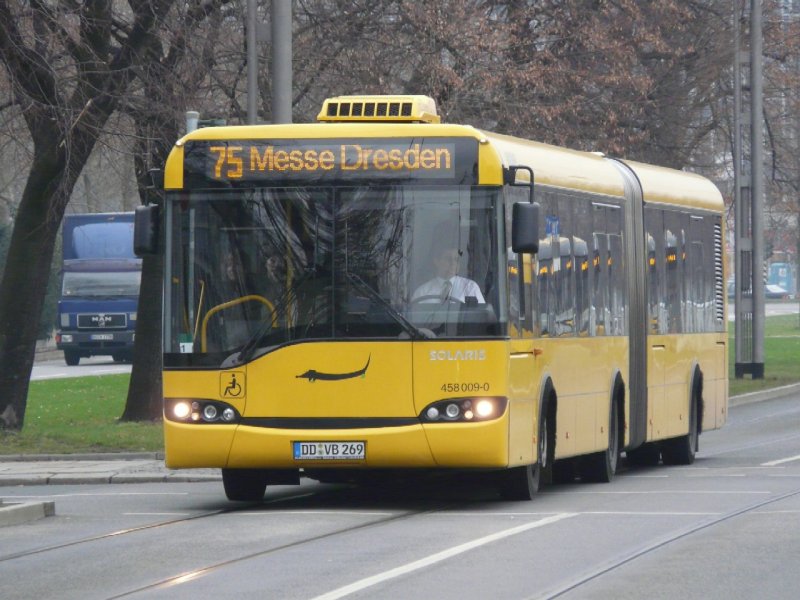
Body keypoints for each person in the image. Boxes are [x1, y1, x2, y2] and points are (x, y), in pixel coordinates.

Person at [412, 243, 485, 304]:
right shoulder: (422, 293)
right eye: (448, 259)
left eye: (456, 259)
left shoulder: (470, 288)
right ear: (436, 261)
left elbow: (481, 317)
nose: (453, 263)